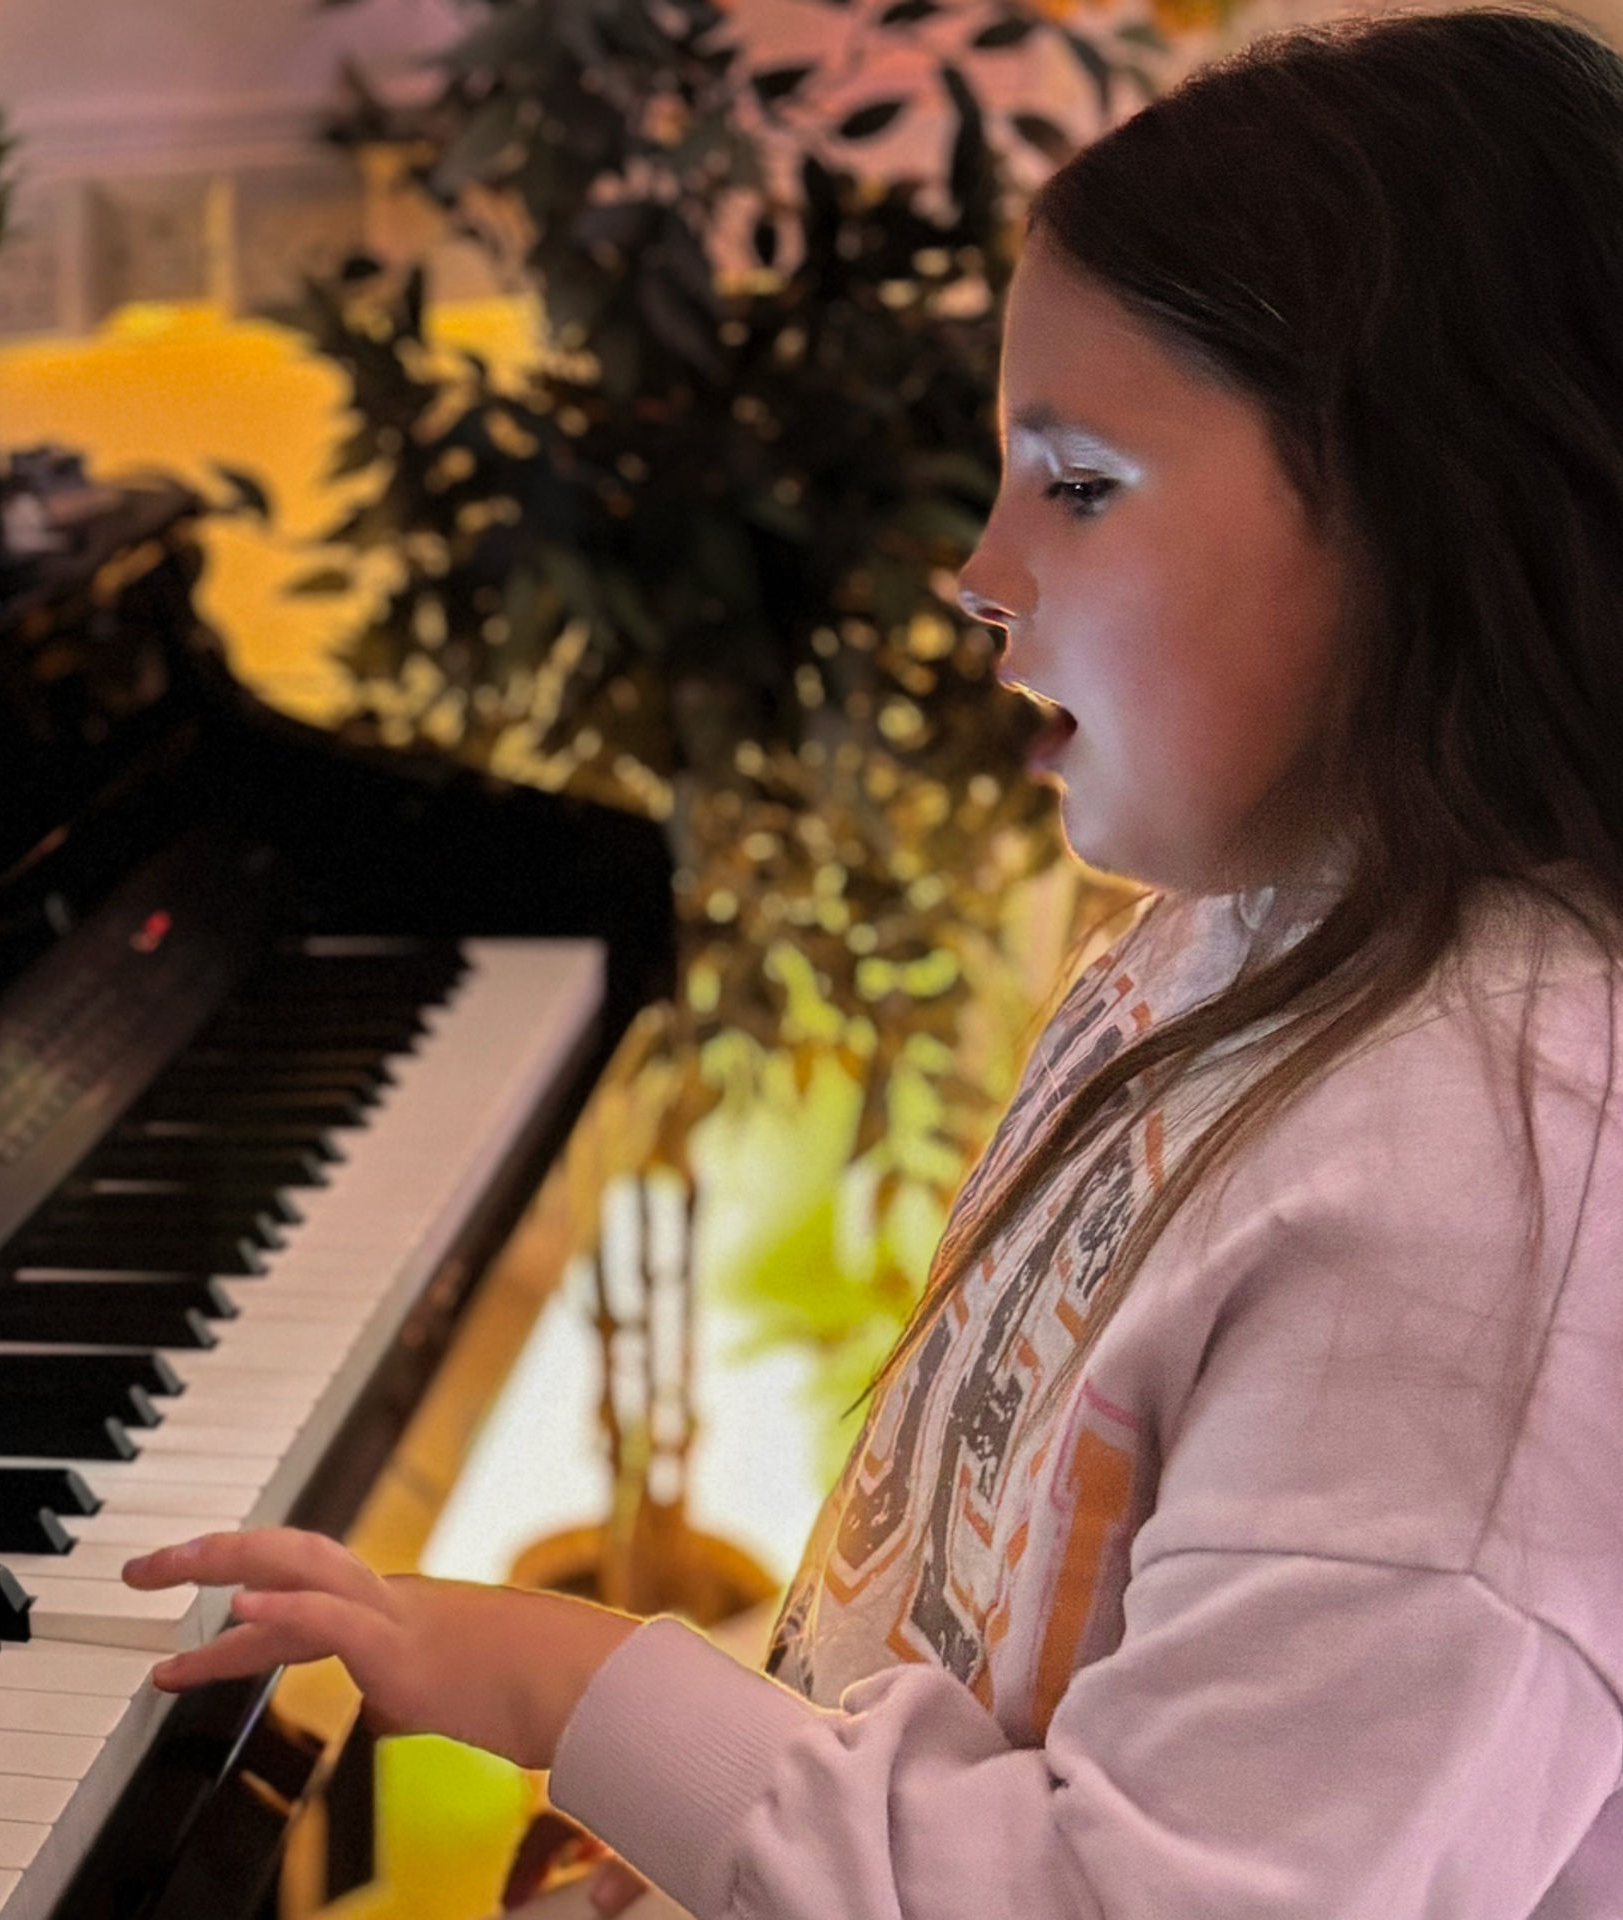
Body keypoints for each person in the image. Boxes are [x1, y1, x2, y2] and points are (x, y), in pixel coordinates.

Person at [121, 6, 1623, 1914]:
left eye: (1075, 484)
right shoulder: (1243, 932)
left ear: (1429, 517)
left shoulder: (1491, 1204)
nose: (980, 566)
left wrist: (561, 1681)